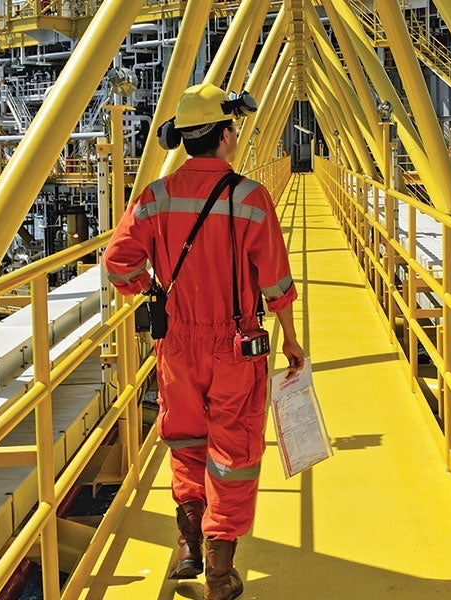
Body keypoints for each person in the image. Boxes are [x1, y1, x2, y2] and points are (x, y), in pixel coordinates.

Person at [103, 83, 303, 600]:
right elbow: (275, 282)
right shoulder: (251, 197)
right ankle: (219, 572)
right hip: (236, 345)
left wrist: (148, 290)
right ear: (225, 135)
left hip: (176, 344)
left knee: (186, 443)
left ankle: (188, 543)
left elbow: (116, 263)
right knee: (232, 454)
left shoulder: (156, 196)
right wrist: (292, 342)